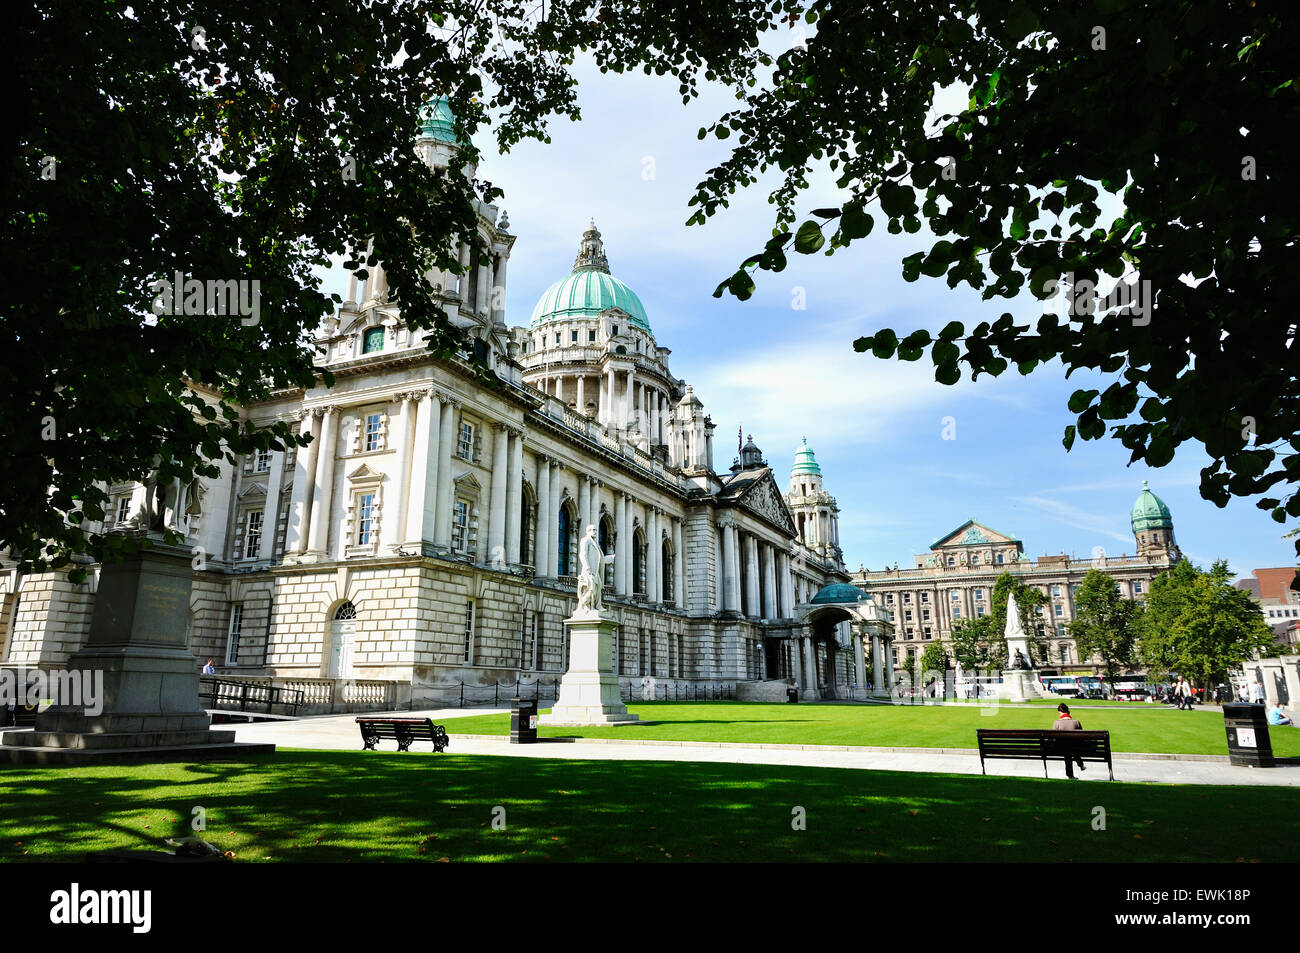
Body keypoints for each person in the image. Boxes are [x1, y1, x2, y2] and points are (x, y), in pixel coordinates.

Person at [1052, 703, 1086, 778]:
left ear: (1060, 712)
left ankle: (1070, 775)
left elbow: (1054, 738)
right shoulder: (1076, 722)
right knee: (1073, 749)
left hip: (1061, 748)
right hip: (1075, 747)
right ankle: (1081, 765)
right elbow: (1082, 736)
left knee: (1068, 752)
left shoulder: (1056, 723)